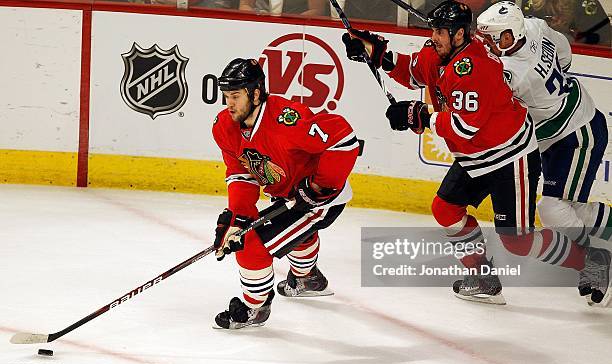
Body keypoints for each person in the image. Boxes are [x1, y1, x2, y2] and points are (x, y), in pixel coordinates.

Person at [341, 0, 605, 305]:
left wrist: (419, 114)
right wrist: (377, 54)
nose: (434, 37)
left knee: (517, 242)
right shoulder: (441, 50)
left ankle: (591, 262)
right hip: (476, 156)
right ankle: (483, 277)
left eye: (441, 31)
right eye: (434, 30)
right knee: (445, 209)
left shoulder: (475, 68)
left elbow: (464, 126)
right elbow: (414, 70)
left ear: (459, 35)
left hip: (510, 158)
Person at [476, 1, 611, 305]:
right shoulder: (535, 26)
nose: (492, 44)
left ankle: (595, 258)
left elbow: (489, 97)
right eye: (487, 37)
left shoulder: (514, 73)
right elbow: (564, 53)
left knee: (553, 209)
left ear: (514, 32)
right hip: (560, 132)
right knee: (570, 210)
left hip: (578, 133)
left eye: (497, 37)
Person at [211, 58, 359, 329]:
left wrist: (317, 188)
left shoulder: (286, 120)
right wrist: (237, 219)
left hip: (323, 200)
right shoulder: (225, 126)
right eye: (225, 96)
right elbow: (242, 174)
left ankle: (255, 308)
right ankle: (307, 279)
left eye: (235, 96)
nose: (228, 104)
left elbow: (344, 139)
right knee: (291, 235)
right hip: (287, 195)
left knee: (252, 244)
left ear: (255, 94)